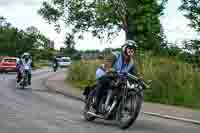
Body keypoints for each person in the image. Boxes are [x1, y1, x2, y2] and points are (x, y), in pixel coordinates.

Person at [94, 40, 138, 114]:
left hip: (117, 77)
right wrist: (109, 69)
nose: (131, 50)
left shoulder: (132, 62)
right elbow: (107, 64)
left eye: (133, 49)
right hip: (104, 72)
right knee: (105, 82)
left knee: (124, 87)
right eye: (129, 48)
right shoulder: (115, 55)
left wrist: (139, 80)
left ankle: (115, 107)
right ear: (124, 48)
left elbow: (135, 74)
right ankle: (97, 103)